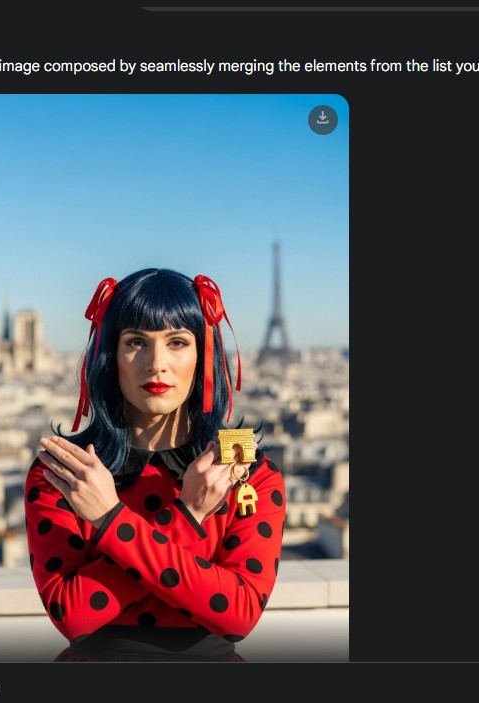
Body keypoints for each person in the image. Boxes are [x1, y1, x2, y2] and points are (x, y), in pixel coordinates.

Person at [24, 268, 287, 662]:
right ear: (110, 356)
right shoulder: (64, 472)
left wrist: (109, 520)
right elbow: (72, 615)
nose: (156, 363)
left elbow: (238, 615)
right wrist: (190, 514)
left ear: (204, 355)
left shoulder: (248, 470)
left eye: (177, 342)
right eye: (136, 342)